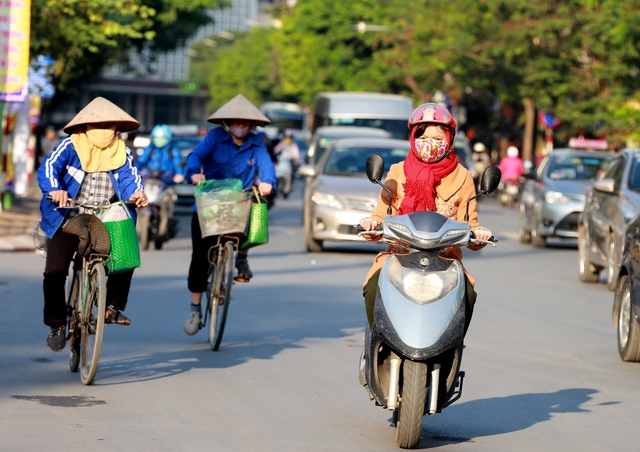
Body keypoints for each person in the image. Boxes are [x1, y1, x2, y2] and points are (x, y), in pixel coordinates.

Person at [358, 103, 492, 333]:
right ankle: (375, 340)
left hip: (445, 262)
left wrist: (479, 234)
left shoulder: (463, 177)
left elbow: (470, 224)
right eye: (424, 136)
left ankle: (452, 348)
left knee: (468, 295)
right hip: (399, 257)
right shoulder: (397, 172)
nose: (430, 143)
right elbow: (381, 215)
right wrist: (371, 224)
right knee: (372, 286)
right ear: (413, 137)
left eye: (438, 138)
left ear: (449, 139)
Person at [38, 97, 149, 352]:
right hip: (68, 215)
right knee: (54, 272)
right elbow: (49, 168)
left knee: (125, 256)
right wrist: (55, 190)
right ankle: (56, 323)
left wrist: (136, 194)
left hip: (105, 216)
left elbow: (131, 178)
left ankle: (111, 308)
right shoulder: (70, 145)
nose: (104, 130)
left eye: (109, 125)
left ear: (116, 128)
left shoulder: (122, 151)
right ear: (85, 126)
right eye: (98, 125)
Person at [183, 94, 276, 335]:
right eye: (237, 122)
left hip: (239, 200)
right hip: (209, 202)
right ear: (227, 123)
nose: (241, 126)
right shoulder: (214, 138)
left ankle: (241, 257)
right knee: (200, 257)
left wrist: (266, 181)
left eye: (246, 123)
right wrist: (194, 173)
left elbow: (267, 166)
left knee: (256, 212)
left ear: (252, 125)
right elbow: (196, 156)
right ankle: (195, 308)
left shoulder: (257, 143)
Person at [273, 129, 300, 198]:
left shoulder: (293, 145)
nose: (287, 139)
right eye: (286, 137)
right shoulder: (282, 143)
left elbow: (296, 155)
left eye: (289, 138)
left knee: (292, 173)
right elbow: (276, 150)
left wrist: (295, 159)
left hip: (289, 164)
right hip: (281, 163)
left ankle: (290, 185)